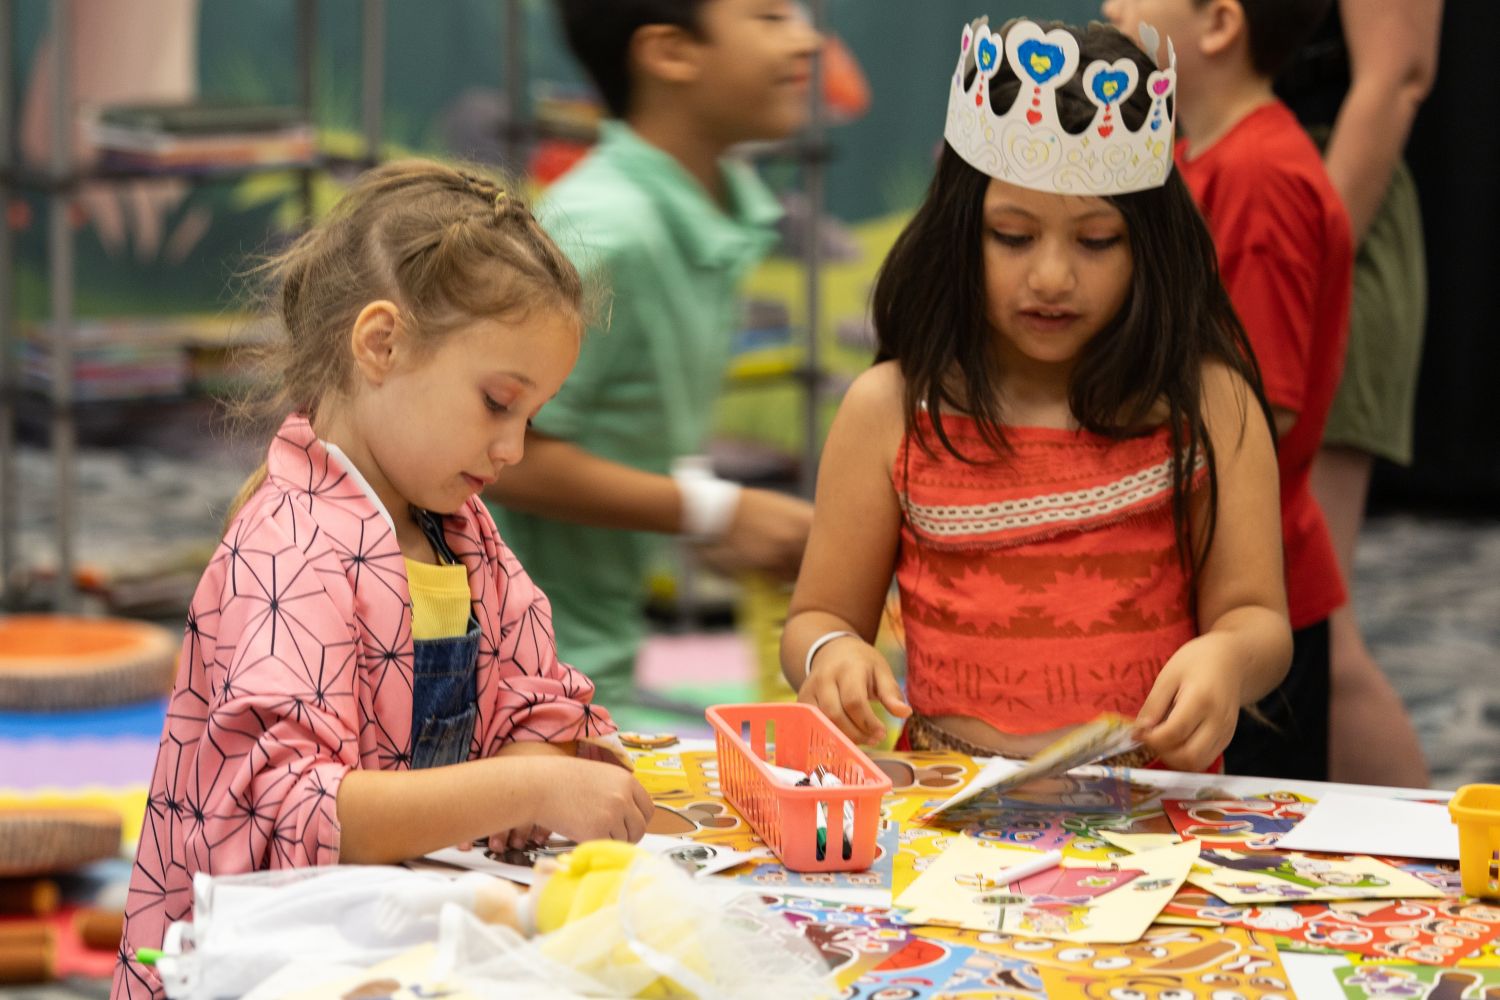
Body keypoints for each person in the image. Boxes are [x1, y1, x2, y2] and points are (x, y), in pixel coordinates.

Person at [113, 162, 654, 1000]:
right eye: (497, 402)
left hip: (387, 950)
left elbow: (541, 694)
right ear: (381, 344)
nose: (513, 448)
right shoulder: (289, 549)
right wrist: (528, 783)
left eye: (531, 418)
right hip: (260, 970)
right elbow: (295, 816)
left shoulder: (461, 533)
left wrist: (539, 747)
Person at [781, 18, 1293, 774]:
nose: (1052, 277)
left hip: (1150, 818)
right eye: (1013, 237)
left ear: (1149, 247)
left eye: (1097, 241)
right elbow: (817, 616)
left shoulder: (1209, 406)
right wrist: (832, 653)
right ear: (960, 233)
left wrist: (1227, 657)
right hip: (948, 813)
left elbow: (1259, 619)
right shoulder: (890, 409)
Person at [484, 0, 820, 714]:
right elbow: (499, 452)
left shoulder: (699, 214)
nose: (807, 39)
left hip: (610, 653)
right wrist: (714, 511)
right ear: (669, 52)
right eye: (769, 15)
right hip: (534, 685)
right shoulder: (606, 235)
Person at [1103, 0, 1353, 782]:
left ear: (1218, 24)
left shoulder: (1258, 174)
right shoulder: (1199, 155)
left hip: (1249, 585)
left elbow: (1258, 409)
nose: (1110, 7)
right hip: (1215, 577)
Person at [1280, 1, 1442, 788]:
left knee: (1311, 617)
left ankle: (1456, 885)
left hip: (1327, 214)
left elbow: (1397, 74)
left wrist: (1303, 266)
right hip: (1237, 207)